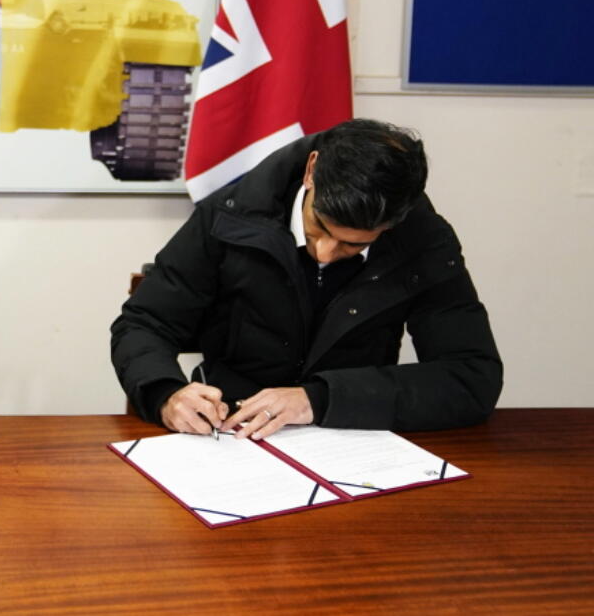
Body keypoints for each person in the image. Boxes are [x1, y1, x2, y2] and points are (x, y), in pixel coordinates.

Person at [111, 118, 502, 441]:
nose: (326, 253)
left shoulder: (422, 242)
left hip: (352, 435)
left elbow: (471, 377)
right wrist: (166, 393)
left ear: (393, 223)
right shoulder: (228, 217)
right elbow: (143, 324)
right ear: (312, 171)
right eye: (319, 228)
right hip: (228, 432)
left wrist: (318, 399)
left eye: (352, 246)